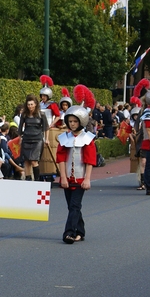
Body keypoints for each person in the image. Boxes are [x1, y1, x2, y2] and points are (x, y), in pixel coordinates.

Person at [56, 102, 97, 244]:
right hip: (67, 177)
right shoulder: (64, 138)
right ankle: (80, 231)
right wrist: (63, 177)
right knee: (72, 207)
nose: (72, 124)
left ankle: (69, 233)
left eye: (75, 121)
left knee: (74, 206)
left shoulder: (88, 139)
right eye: (70, 121)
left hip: (80, 178)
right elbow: (60, 158)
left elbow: (90, 160)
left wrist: (87, 179)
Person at [18, 94, 49, 181]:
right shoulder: (24, 114)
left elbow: (46, 127)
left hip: (37, 139)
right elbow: (20, 127)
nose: (30, 106)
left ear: (35, 104)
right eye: (28, 104)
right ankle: (28, 180)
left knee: (34, 161)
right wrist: (20, 138)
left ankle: (37, 180)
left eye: (31, 104)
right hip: (26, 138)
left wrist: (47, 139)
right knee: (26, 161)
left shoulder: (41, 114)